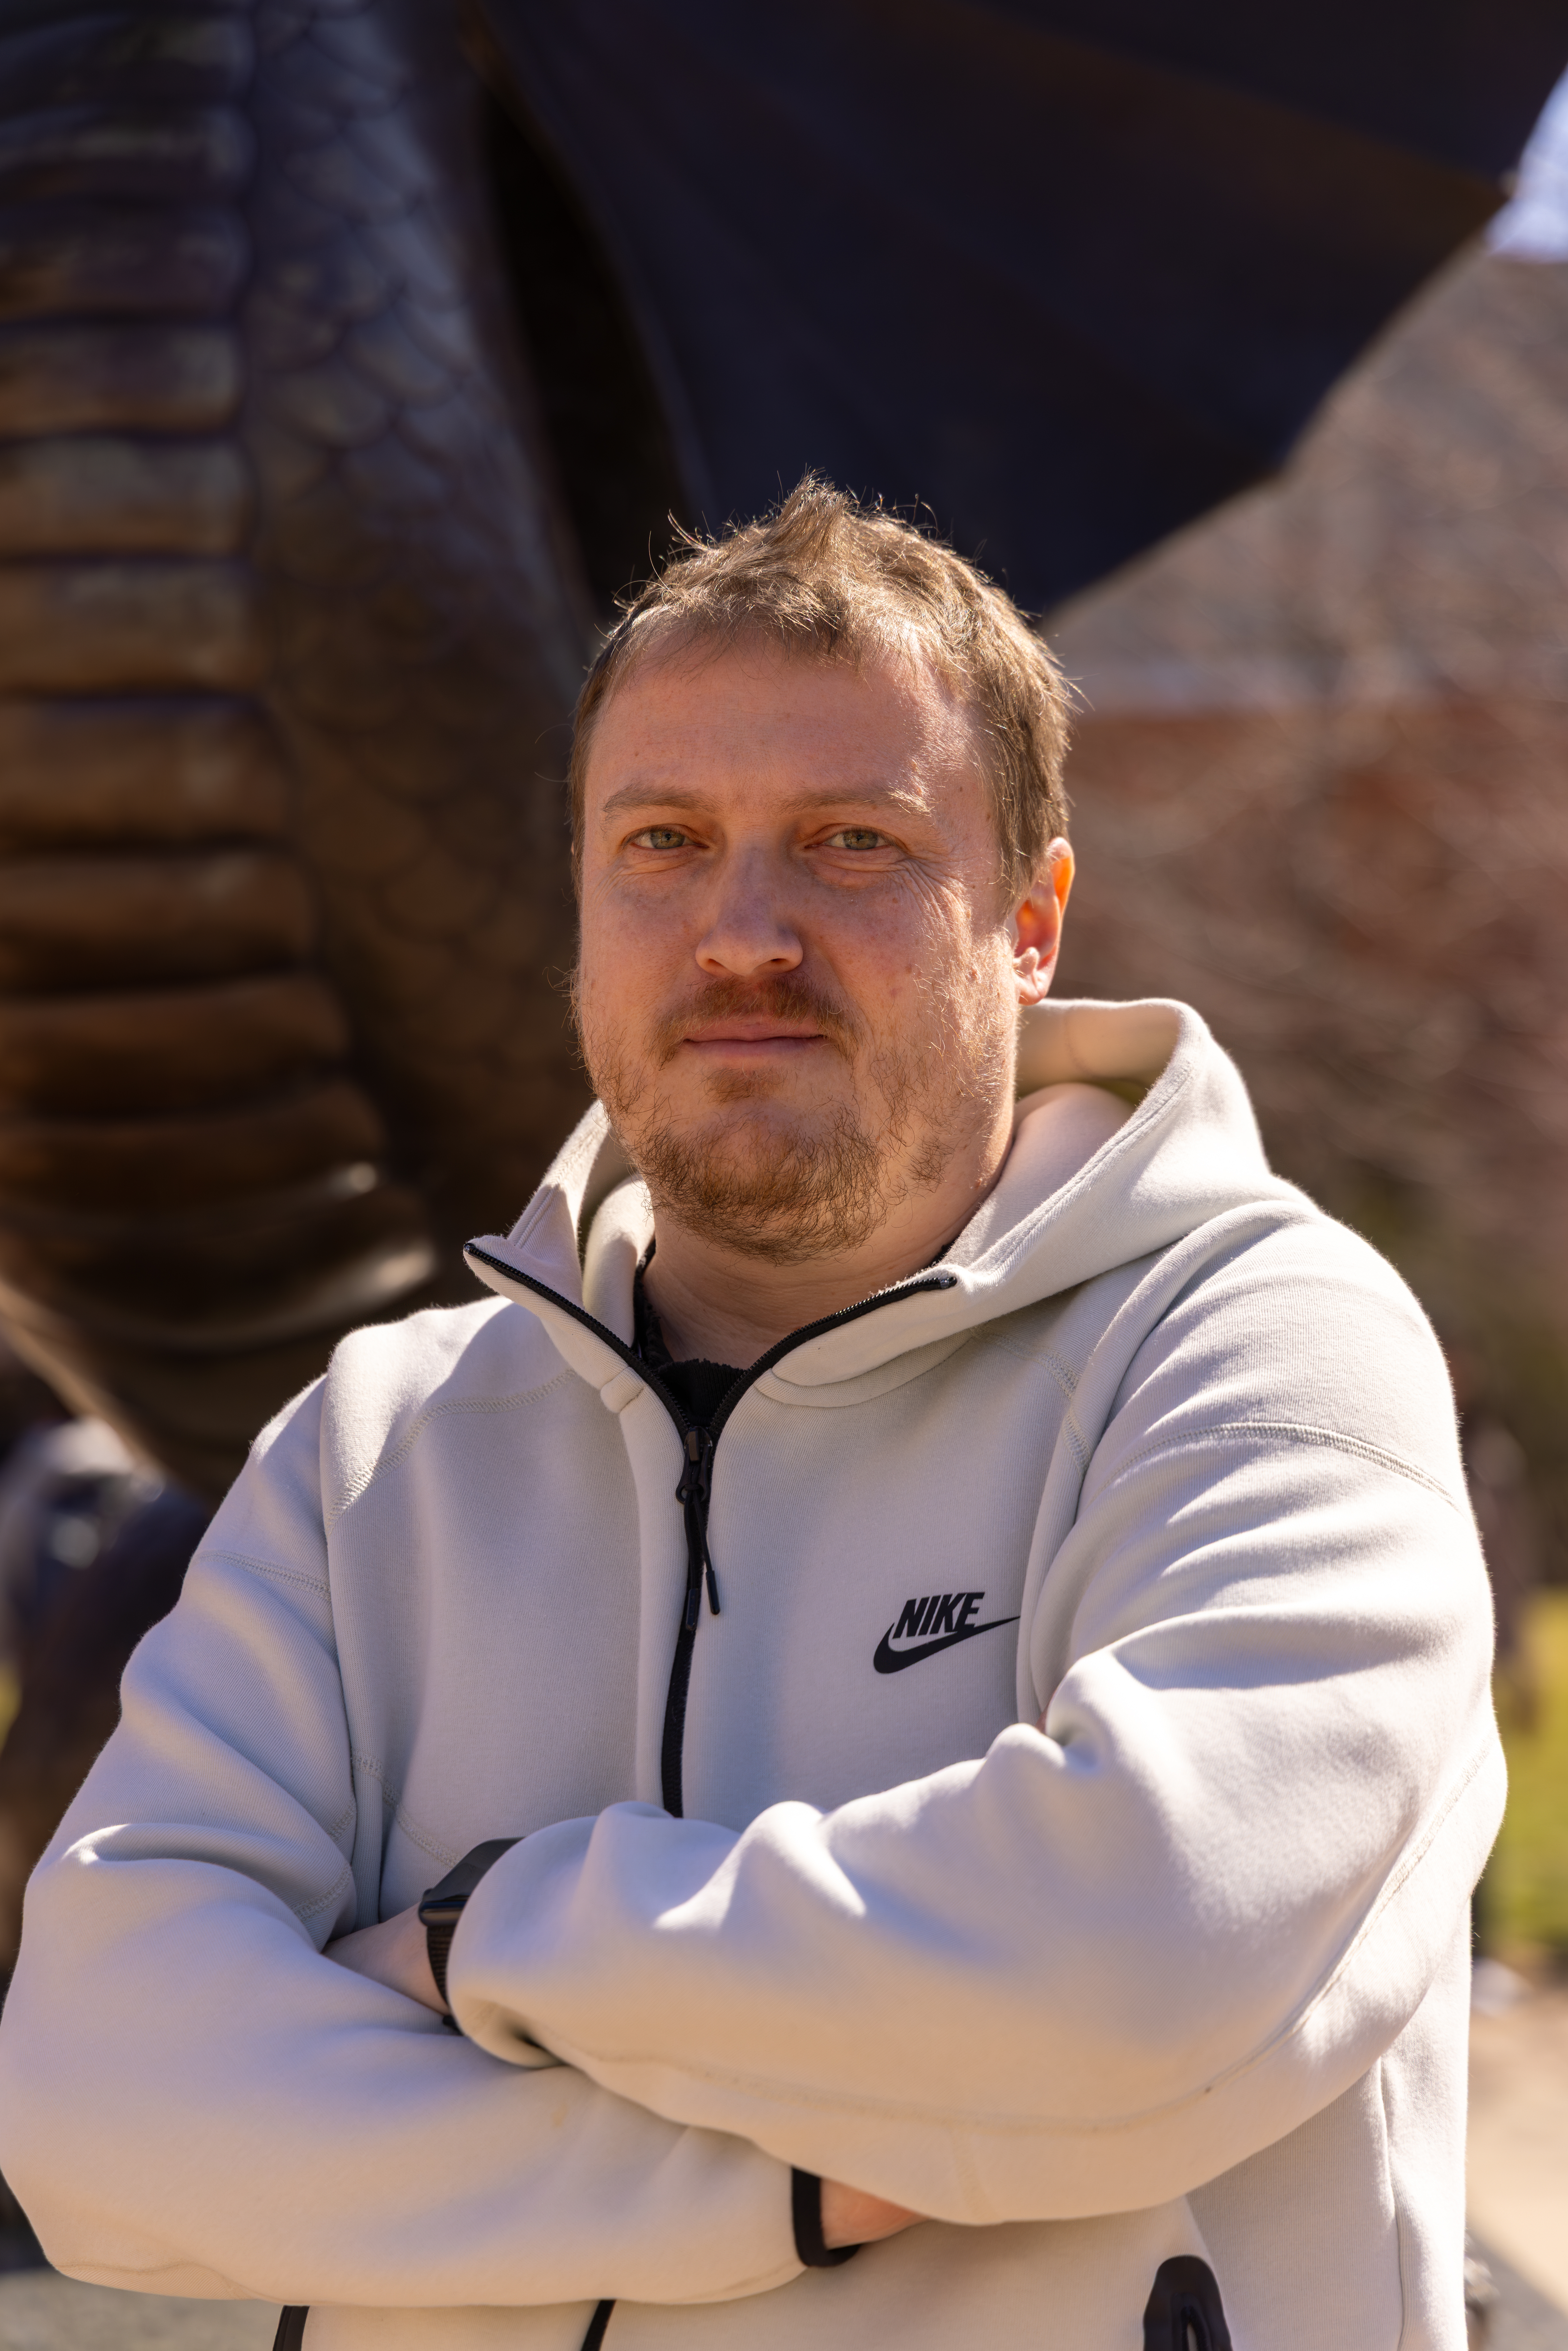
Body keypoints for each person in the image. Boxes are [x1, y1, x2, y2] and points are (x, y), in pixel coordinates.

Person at [0, 480, 1502, 2351]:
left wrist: (488, 1949)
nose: (739, 934)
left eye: (851, 844)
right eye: (662, 842)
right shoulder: (379, 1447)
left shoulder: (1258, 1345)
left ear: (1031, 918)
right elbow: (98, 2112)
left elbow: (1143, 1962)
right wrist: (770, 2195)